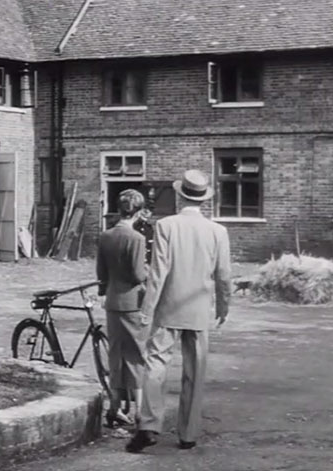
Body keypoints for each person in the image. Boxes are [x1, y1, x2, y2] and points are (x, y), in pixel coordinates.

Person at [126, 169, 232, 453]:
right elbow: (223, 274)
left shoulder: (166, 226)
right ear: (204, 199)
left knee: (156, 365)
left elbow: (158, 272)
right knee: (195, 371)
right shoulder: (218, 231)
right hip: (198, 310)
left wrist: (147, 309)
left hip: (168, 308)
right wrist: (224, 305)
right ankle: (188, 433)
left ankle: (149, 425)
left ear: (179, 194)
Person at [97, 189, 149, 428]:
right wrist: (148, 273)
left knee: (116, 354)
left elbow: (101, 273)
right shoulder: (136, 239)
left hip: (112, 302)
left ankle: (114, 407)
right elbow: (138, 275)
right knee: (137, 355)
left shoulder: (106, 236)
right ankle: (140, 410)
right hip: (132, 304)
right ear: (137, 212)